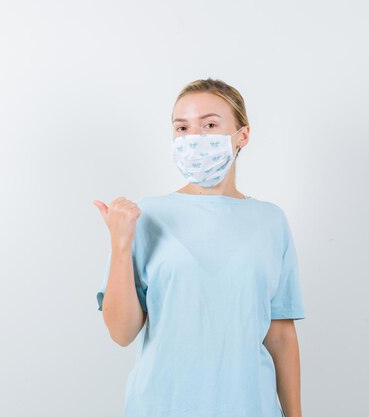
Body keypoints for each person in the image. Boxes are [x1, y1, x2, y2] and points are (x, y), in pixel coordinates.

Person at [92, 78, 306, 417]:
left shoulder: (270, 221)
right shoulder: (147, 216)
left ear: (242, 136)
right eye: (183, 128)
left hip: (250, 406)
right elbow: (121, 333)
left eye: (209, 125)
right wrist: (121, 245)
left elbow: (280, 335)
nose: (195, 138)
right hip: (162, 405)